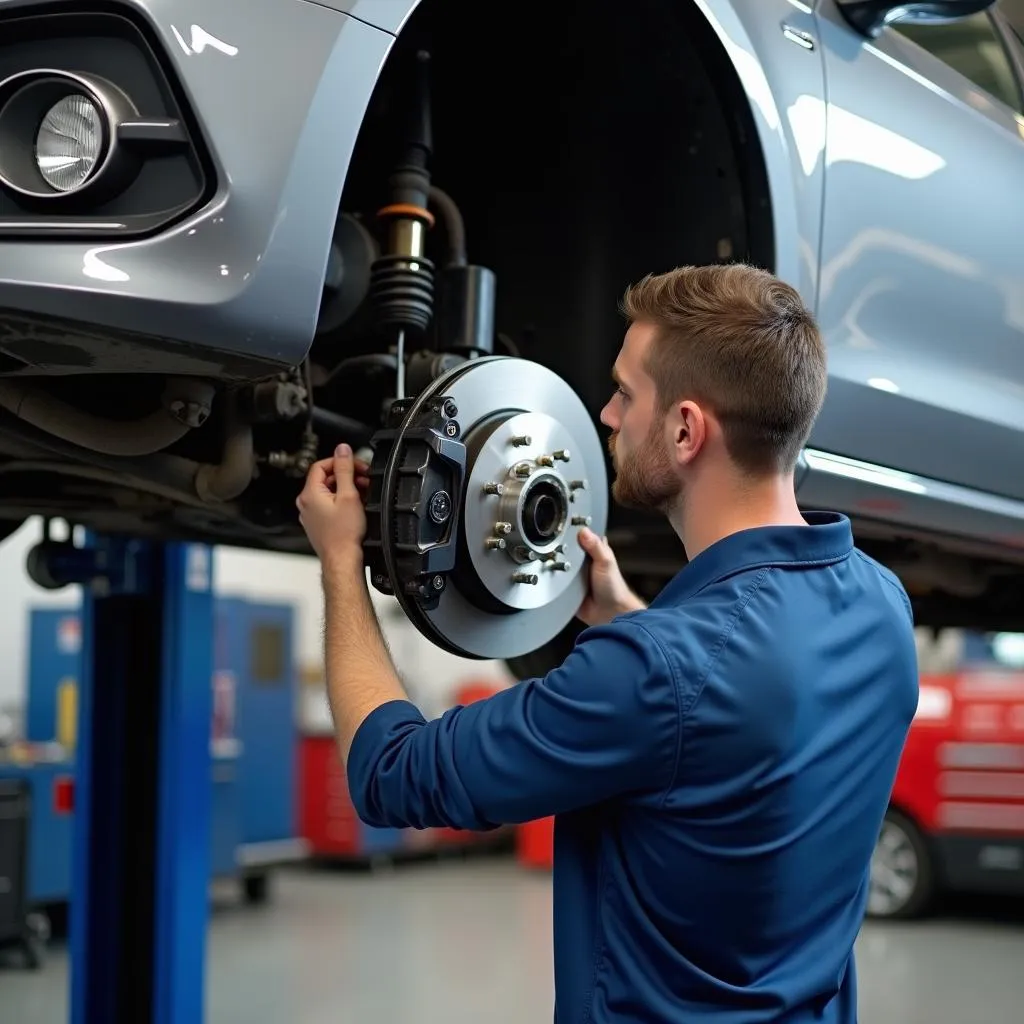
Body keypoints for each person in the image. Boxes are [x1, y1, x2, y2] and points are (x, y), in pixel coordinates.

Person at [296, 263, 919, 1023]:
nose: (606, 414)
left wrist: (338, 561)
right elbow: (736, 723)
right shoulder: (881, 605)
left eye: (626, 393)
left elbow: (392, 773)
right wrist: (631, 616)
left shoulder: (654, 672)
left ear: (687, 430)